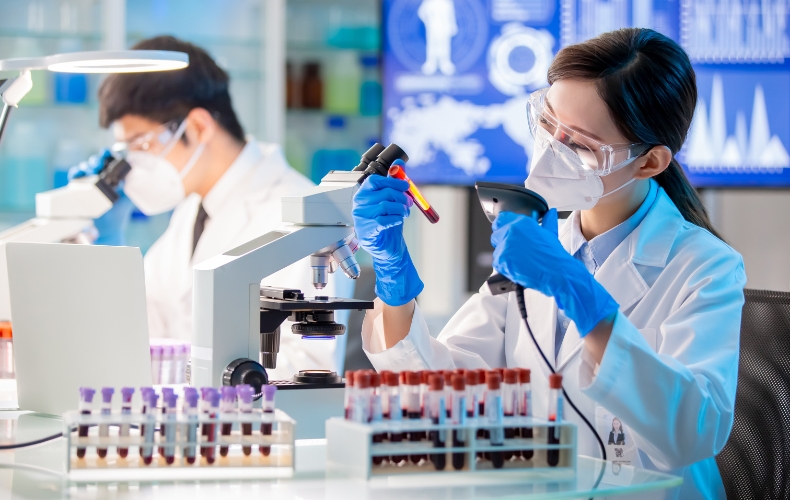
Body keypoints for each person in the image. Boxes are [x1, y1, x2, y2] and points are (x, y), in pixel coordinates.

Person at [352, 28, 744, 499]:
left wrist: (583, 296)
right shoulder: (539, 243)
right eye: (547, 123)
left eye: (579, 145)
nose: (551, 148)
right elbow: (441, 395)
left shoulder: (705, 266)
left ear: (650, 162)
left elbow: (691, 433)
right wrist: (395, 286)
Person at [75, 36, 344, 380]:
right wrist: (104, 250)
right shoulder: (193, 210)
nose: (134, 165)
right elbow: (149, 330)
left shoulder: (302, 214)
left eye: (140, 143)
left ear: (199, 126)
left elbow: (308, 366)